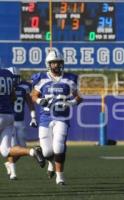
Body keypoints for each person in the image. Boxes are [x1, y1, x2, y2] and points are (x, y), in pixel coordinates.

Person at [31, 49, 82, 185]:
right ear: (48, 64)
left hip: (62, 117)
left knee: (58, 148)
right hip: (45, 117)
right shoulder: (41, 78)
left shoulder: (70, 79)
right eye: (53, 63)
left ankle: (60, 177)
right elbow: (33, 95)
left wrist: (70, 102)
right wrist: (39, 101)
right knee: (47, 151)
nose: (56, 65)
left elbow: (78, 97)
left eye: (58, 62)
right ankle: (49, 163)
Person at [0, 68, 45, 173]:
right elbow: (13, 97)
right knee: (5, 151)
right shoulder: (7, 74)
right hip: (9, 116)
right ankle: (32, 151)